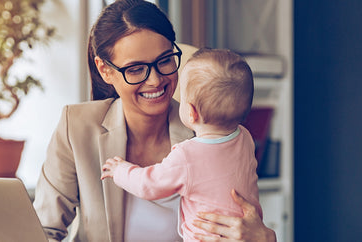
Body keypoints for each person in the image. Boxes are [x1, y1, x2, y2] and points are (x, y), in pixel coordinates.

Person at [33, 0, 276, 241]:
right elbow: (42, 232)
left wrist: (265, 238)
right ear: (105, 70)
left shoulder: (212, 132)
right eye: (136, 69)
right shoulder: (75, 127)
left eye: (164, 61)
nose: (155, 80)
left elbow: (241, 218)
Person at [101, 48, 261, 241]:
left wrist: (120, 170)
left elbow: (148, 184)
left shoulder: (187, 156)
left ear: (191, 112)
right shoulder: (245, 138)